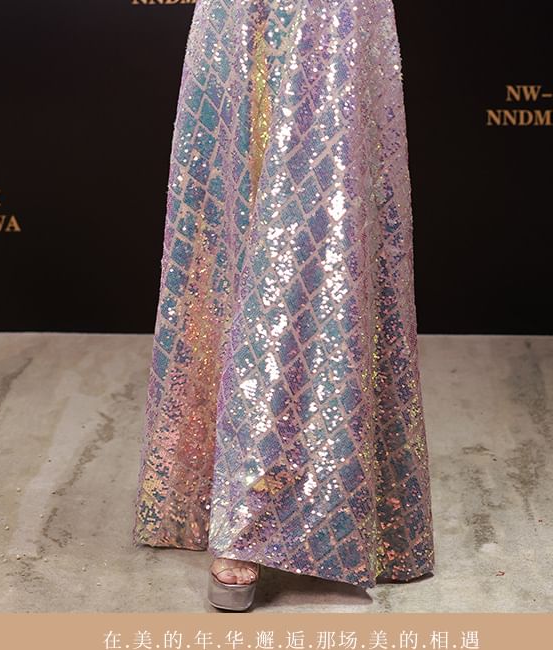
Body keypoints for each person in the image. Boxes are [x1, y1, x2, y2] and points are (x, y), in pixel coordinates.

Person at [132, 0, 435, 612]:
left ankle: (273, 511)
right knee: (230, 219)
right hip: (237, 16)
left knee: (322, 228)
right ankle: (228, 495)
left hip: (337, 18)